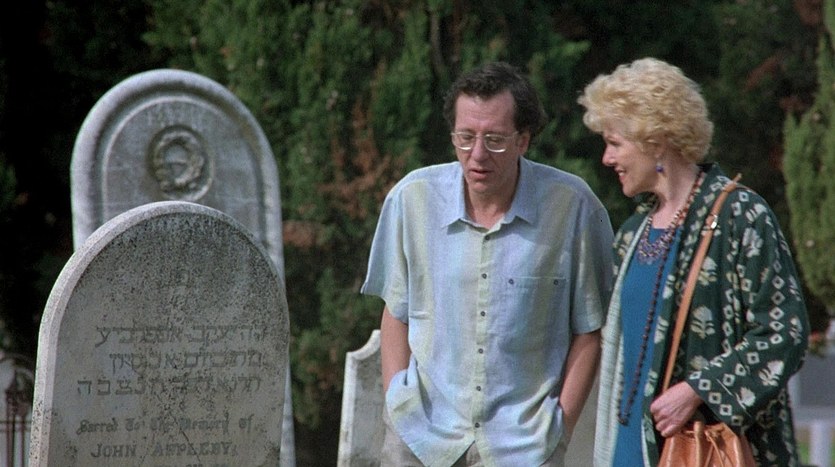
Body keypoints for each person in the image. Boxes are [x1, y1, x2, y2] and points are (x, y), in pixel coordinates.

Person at [361, 61, 614, 466]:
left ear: (523, 140)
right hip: (421, 437)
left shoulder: (573, 208)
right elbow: (396, 311)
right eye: (465, 137)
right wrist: (396, 399)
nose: (477, 154)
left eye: (494, 140)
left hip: (524, 447)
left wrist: (560, 430)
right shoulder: (412, 199)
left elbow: (589, 330)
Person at [577, 57, 810, 466]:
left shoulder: (740, 216)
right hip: (629, 449)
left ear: (655, 141)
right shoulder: (632, 233)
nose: (607, 159)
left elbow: (783, 333)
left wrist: (699, 390)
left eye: (614, 143)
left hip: (704, 449)